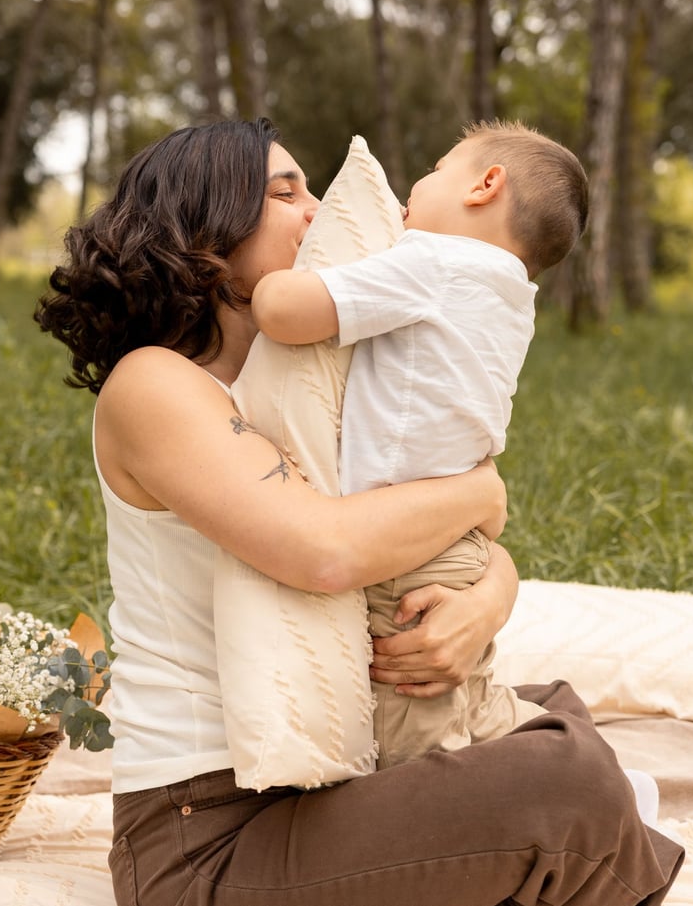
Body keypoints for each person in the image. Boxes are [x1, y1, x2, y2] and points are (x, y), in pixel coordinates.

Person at [34, 117, 683, 906]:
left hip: (331, 775)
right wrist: (483, 492)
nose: (317, 209)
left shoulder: (321, 392)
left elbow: (421, 535)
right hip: (206, 835)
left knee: (549, 710)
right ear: (205, 226)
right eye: (286, 191)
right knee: (563, 775)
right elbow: (327, 551)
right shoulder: (155, 385)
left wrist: (487, 599)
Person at [250, 119, 583, 769]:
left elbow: (289, 314)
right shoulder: (512, 292)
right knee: (473, 702)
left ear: (486, 185)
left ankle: (487, 823)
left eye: (435, 168)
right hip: (453, 543)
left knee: (415, 738)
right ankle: (568, 780)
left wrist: (273, 285)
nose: (414, 188)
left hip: (404, 553)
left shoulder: (434, 262)